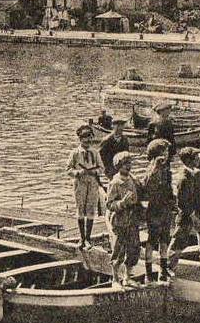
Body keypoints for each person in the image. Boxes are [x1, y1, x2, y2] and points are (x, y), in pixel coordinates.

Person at [105, 151, 143, 289]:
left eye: (130, 163)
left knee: (133, 248)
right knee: (118, 250)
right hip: (120, 220)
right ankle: (115, 279)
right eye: (125, 164)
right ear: (118, 166)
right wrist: (122, 203)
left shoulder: (132, 179)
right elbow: (109, 204)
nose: (128, 166)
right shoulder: (115, 183)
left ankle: (127, 277)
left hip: (132, 219)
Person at [66, 124, 105, 248]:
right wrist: (77, 173)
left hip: (92, 183)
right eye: (84, 138)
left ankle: (88, 239)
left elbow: (102, 168)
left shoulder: (95, 152)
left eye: (89, 138)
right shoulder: (75, 153)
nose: (87, 140)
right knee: (80, 209)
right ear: (80, 139)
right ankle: (81, 239)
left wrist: (95, 172)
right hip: (80, 183)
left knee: (91, 209)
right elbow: (68, 169)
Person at [142, 139, 175, 283]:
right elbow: (146, 187)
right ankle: (148, 273)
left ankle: (163, 269)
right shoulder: (151, 169)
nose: (166, 155)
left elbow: (169, 189)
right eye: (163, 152)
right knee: (152, 240)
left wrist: (173, 202)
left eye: (167, 152)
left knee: (165, 239)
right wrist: (155, 168)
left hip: (165, 208)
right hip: (154, 208)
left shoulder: (167, 170)